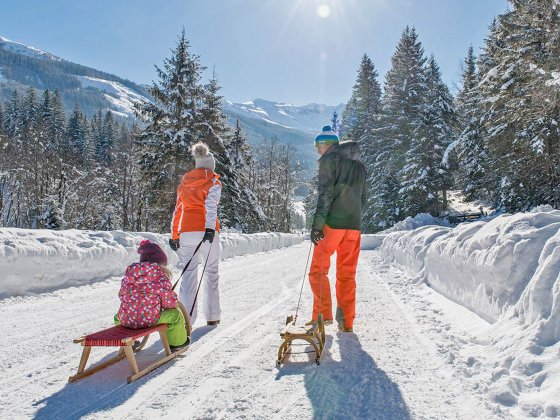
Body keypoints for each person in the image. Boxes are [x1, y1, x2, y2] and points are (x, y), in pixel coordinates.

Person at [309, 125, 367, 333]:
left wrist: (317, 225)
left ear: (326, 145)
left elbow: (325, 195)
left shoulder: (328, 160)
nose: (317, 151)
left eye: (318, 146)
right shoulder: (359, 166)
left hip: (332, 224)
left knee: (318, 270)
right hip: (354, 226)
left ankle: (322, 316)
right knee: (347, 273)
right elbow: (363, 197)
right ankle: (347, 321)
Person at [169, 142, 221, 327]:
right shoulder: (213, 181)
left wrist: (174, 234)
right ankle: (212, 315)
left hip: (187, 231)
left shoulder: (185, 183)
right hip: (207, 232)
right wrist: (209, 229)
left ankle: (186, 319)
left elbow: (178, 210)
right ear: (210, 165)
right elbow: (210, 207)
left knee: (188, 273)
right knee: (211, 271)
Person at [115, 239, 188, 350]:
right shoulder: (159, 277)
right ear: (160, 263)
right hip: (150, 320)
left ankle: (131, 341)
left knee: (117, 317)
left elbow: (122, 295)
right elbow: (170, 304)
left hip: (126, 319)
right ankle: (177, 343)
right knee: (175, 315)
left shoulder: (129, 275)